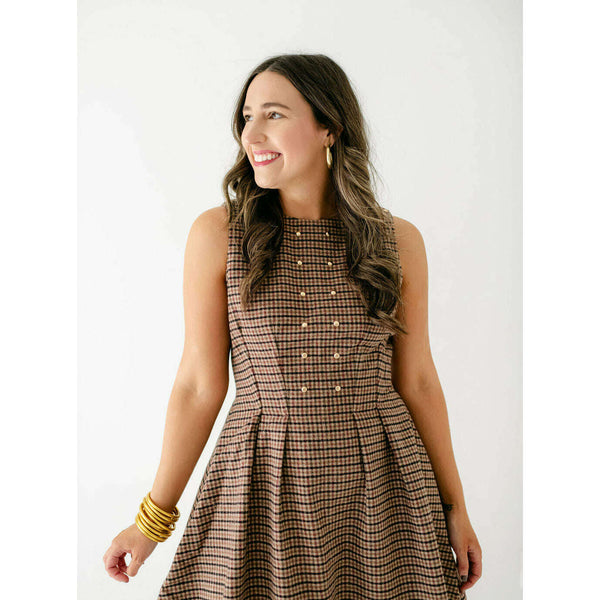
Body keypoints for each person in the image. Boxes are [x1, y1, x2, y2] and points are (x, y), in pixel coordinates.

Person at [103, 53, 482, 599]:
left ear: (330, 128)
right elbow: (198, 386)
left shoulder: (398, 241)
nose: (251, 133)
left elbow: (418, 380)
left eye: (274, 114)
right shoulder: (220, 234)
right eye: (247, 116)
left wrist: (456, 507)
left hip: (385, 487)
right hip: (261, 484)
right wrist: (150, 522)